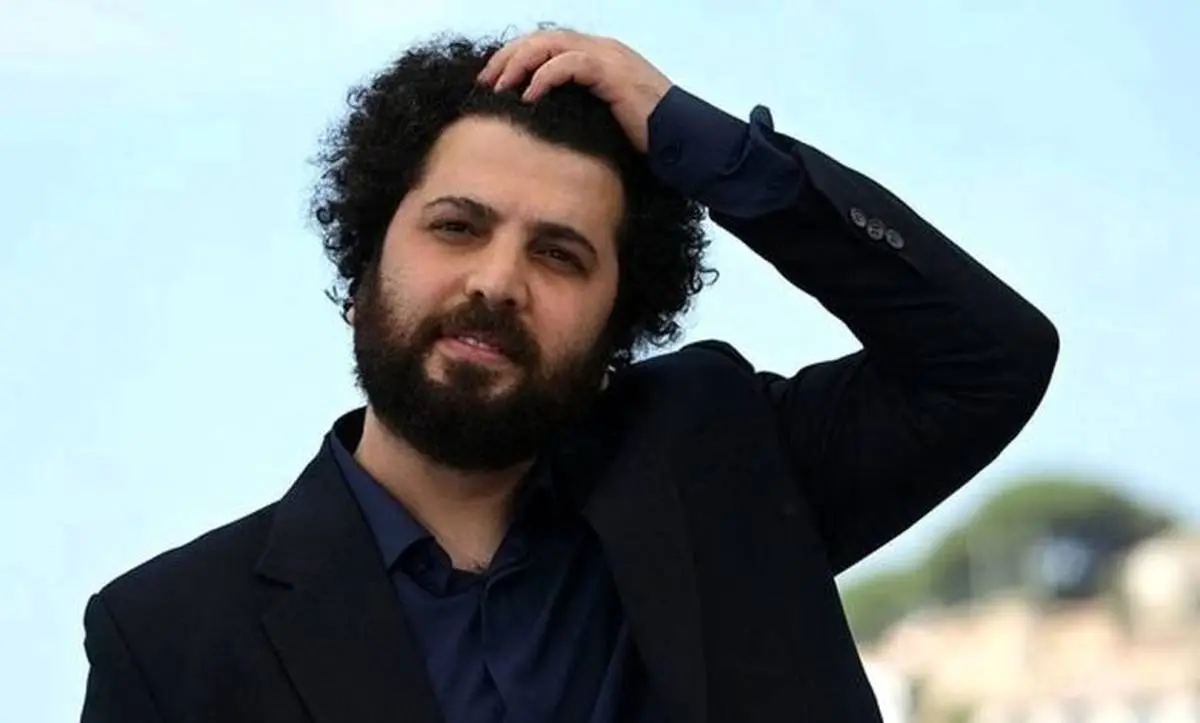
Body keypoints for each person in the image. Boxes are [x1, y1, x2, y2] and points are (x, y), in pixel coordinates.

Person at [79, 28, 1058, 723]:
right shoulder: (170, 639)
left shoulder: (718, 460)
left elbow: (988, 359)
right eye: (456, 227)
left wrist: (699, 143)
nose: (497, 282)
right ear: (361, 269)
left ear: (618, 327)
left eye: (559, 255)